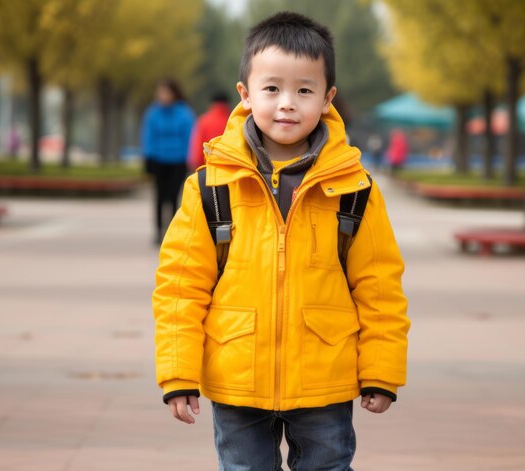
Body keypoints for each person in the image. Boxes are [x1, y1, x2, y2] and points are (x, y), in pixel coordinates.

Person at [153, 12, 409, 470]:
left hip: (323, 377)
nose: (287, 103)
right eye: (272, 89)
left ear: (328, 98)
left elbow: (379, 286)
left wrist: (381, 370)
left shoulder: (356, 190)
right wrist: (178, 373)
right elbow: (180, 287)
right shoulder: (210, 187)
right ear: (246, 95)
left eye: (304, 90)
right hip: (237, 374)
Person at [141, 78, 195, 244]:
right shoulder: (153, 113)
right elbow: (148, 135)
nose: (162, 96)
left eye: (165, 92)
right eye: (160, 92)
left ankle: (172, 231)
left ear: (174, 93)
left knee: (173, 197)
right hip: (158, 160)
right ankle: (158, 232)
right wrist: (148, 156)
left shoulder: (184, 113)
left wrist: (189, 159)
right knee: (159, 196)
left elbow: (190, 137)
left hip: (178, 161)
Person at [187, 91, 231, 171]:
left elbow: (198, 144)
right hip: (230, 167)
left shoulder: (204, 120)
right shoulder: (232, 121)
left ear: (211, 104)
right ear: (227, 103)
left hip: (207, 166)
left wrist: (195, 163)